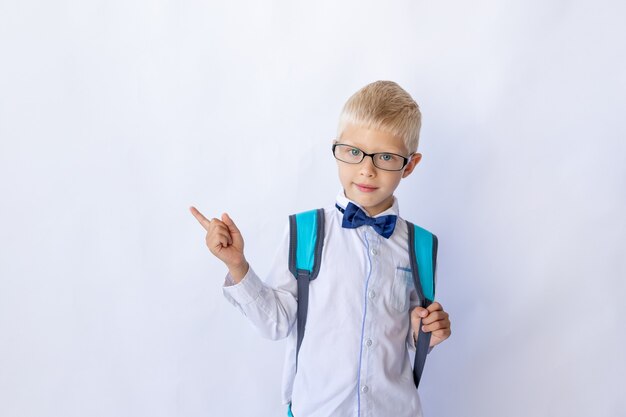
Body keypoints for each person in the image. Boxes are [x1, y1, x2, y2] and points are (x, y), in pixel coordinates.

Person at [190, 80, 452, 417]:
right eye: (354, 151)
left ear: (410, 164)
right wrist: (238, 265)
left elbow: (407, 337)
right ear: (337, 149)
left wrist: (425, 332)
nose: (366, 168)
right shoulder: (305, 231)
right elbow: (276, 324)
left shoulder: (421, 245)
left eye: (386, 157)